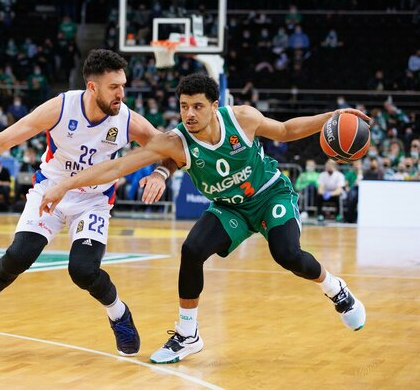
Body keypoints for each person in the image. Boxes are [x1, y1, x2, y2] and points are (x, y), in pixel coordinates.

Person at [40, 73, 368, 364]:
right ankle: (188, 334)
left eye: (197, 107)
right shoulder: (175, 141)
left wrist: (333, 116)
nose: (189, 114)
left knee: (287, 254)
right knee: (192, 249)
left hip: (269, 194)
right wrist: (65, 185)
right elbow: (115, 167)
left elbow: (284, 130)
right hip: (229, 206)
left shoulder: (242, 118)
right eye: (184, 107)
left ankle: (335, 288)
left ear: (214, 105)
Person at [0, 49, 172, 356]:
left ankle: (119, 314)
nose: (121, 93)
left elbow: (170, 148)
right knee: (20, 255)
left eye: (123, 85)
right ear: (92, 87)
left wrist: (160, 174)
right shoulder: (61, 108)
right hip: (50, 189)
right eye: (113, 87)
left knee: (83, 271)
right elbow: (3, 140)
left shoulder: (128, 120)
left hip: (93, 199)